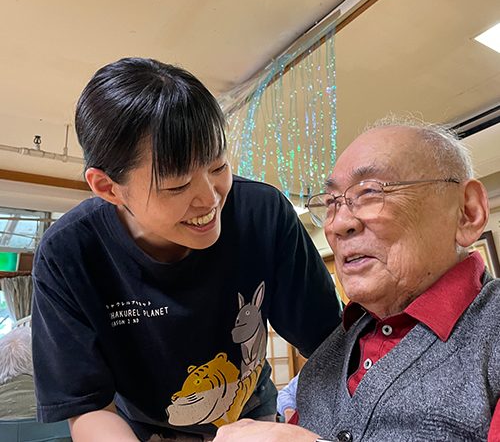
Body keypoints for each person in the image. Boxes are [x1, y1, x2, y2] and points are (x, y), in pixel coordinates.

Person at [31, 57, 341, 442]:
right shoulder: (69, 253)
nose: (210, 200)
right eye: (177, 186)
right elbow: (87, 406)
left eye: (218, 167)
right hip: (142, 431)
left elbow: (330, 345)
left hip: (249, 416)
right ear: (108, 188)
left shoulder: (262, 213)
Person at [213, 119, 500, 442]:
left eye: (370, 192)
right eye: (331, 202)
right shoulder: (327, 356)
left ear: (467, 212)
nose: (338, 224)